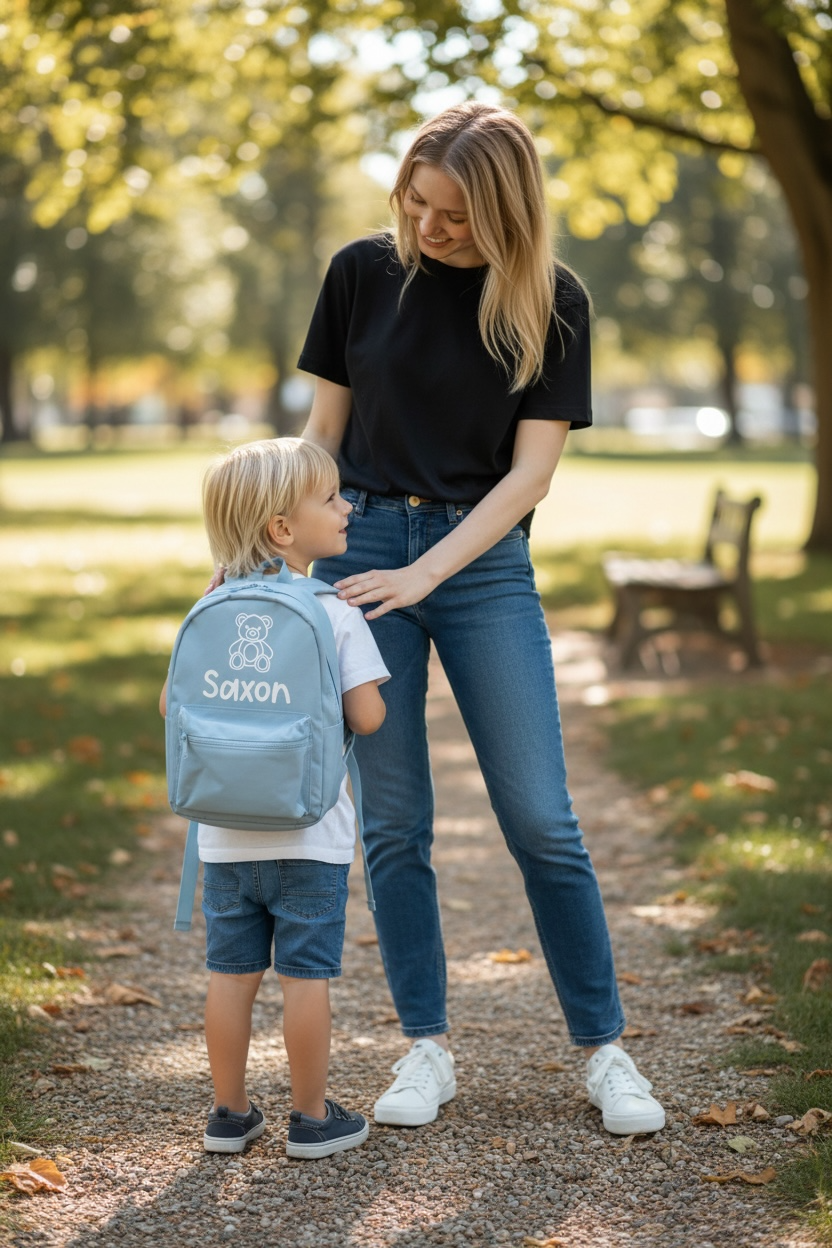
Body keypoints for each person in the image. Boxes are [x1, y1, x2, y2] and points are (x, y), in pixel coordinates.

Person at [298, 102, 666, 1136]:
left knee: (542, 820)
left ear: (503, 212)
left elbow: (531, 475)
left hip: (483, 563)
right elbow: (321, 436)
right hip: (360, 551)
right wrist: (277, 554)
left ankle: (603, 1052)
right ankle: (425, 1046)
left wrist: (430, 576)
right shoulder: (359, 273)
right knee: (396, 822)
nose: (428, 227)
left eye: (453, 215)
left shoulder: (551, 299)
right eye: (417, 203)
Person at [160, 438, 390, 1157]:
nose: (347, 506)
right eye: (330, 498)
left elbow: (173, 705)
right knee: (305, 978)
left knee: (229, 977)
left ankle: (228, 1116)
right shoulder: (333, 610)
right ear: (283, 530)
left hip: (225, 837)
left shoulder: (211, 608)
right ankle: (313, 1119)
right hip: (310, 837)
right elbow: (368, 719)